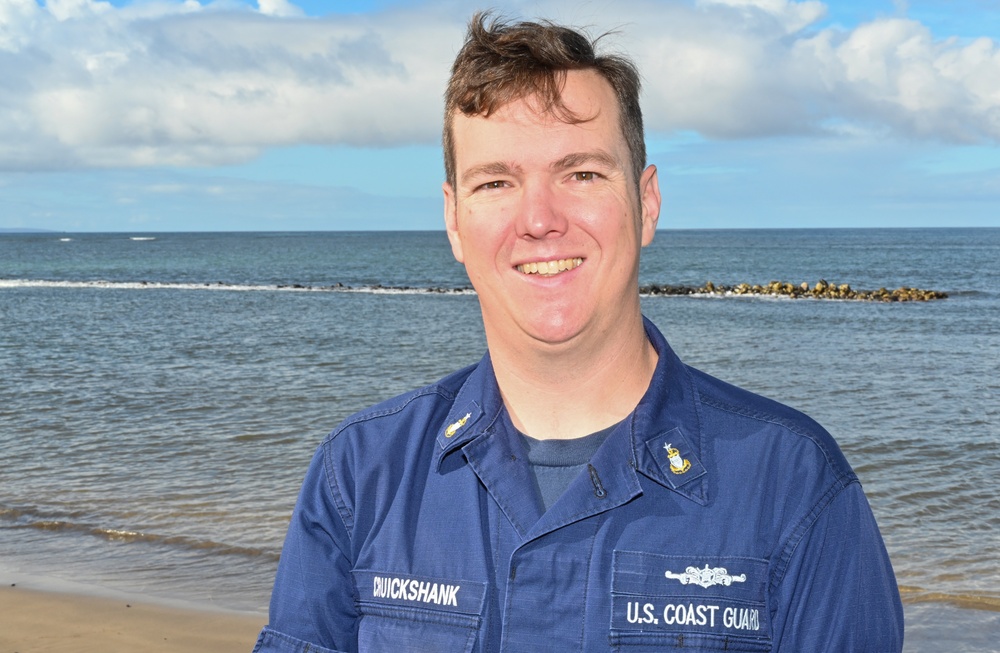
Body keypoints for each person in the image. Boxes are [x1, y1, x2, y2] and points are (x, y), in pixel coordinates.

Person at [253, 12, 903, 652]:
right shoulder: (361, 474)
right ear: (454, 219)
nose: (539, 219)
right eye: (497, 181)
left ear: (646, 202)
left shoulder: (793, 485)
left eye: (582, 173)